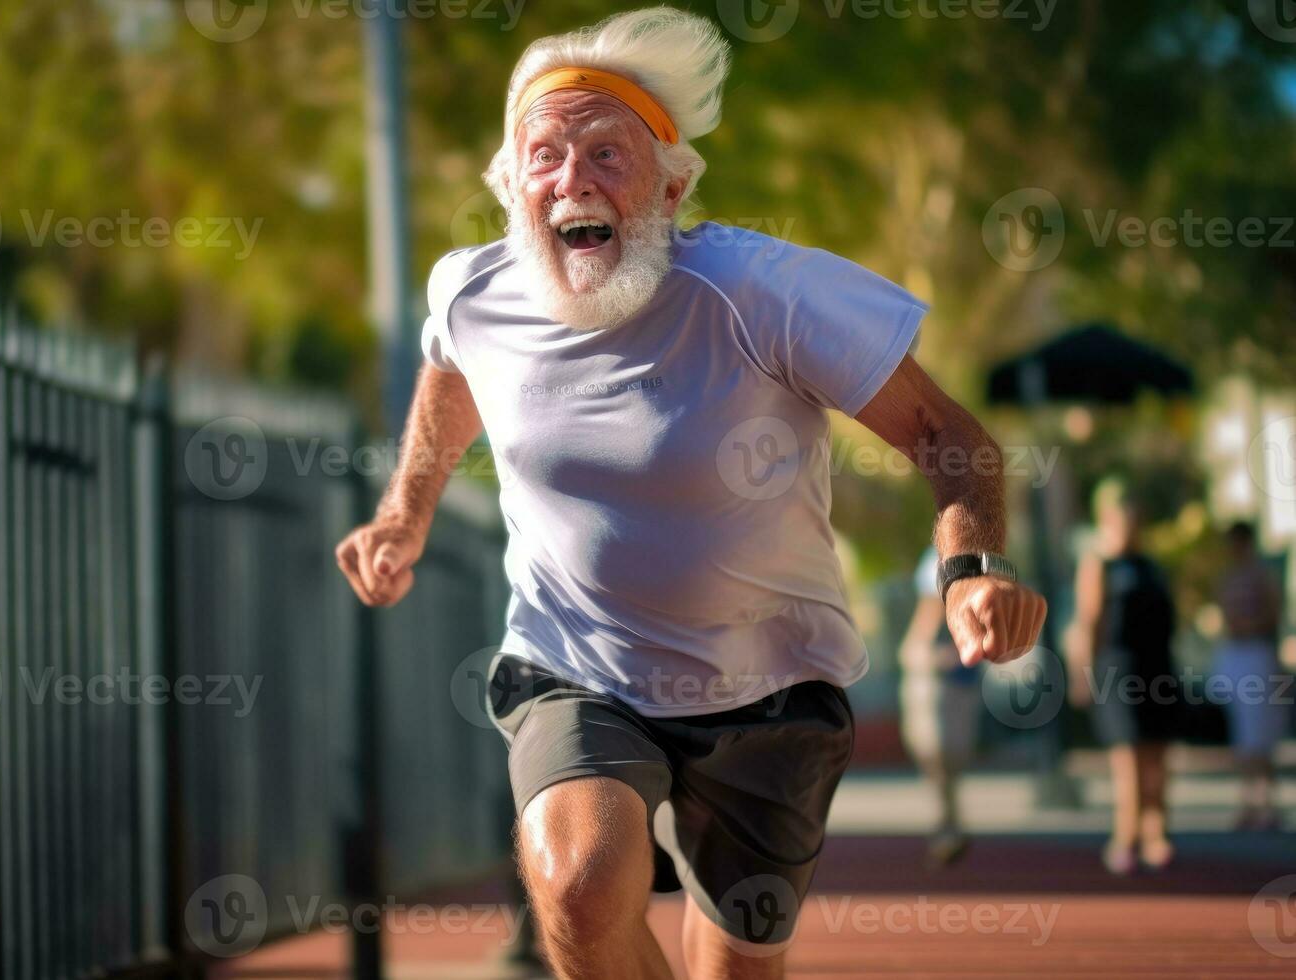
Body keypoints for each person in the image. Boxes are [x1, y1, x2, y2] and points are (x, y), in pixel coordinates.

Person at [335, 9, 1047, 977]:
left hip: (770, 683)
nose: (571, 180)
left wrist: (971, 567)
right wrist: (401, 514)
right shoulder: (475, 293)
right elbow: (449, 376)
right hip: (574, 659)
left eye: (605, 154)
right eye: (542, 155)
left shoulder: (761, 290)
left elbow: (944, 433)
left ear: (672, 186)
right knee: (580, 883)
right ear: (510, 188)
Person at [1066, 479, 1179, 875]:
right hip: (1117, 670)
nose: (1130, 524)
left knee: (1158, 756)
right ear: (1108, 519)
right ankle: (1125, 837)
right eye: (1121, 516)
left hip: (1158, 668)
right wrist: (1082, 675)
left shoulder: (1152, 566)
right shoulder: (1099, 563)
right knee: (1128, 757)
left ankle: (1157, 834)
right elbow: (1088, 622)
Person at [898, 546, 983, 868]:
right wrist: (919, 652)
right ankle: (946, 824)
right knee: (932, 749)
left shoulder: (980, 557)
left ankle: (948, 822)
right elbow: (928, 612)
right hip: (931, 672)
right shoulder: (934, 560)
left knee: (951, 753)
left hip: (959, 674)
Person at [1209, 521, 1287, 831]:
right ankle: (1248, 801)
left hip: (1257, 654)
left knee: (1260, 732)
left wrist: (1251, 628)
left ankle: (1266, 802)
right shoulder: (1227, 577)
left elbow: (1273, 613)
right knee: (1242, 734)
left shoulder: (1262, 575)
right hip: (1235, 655)